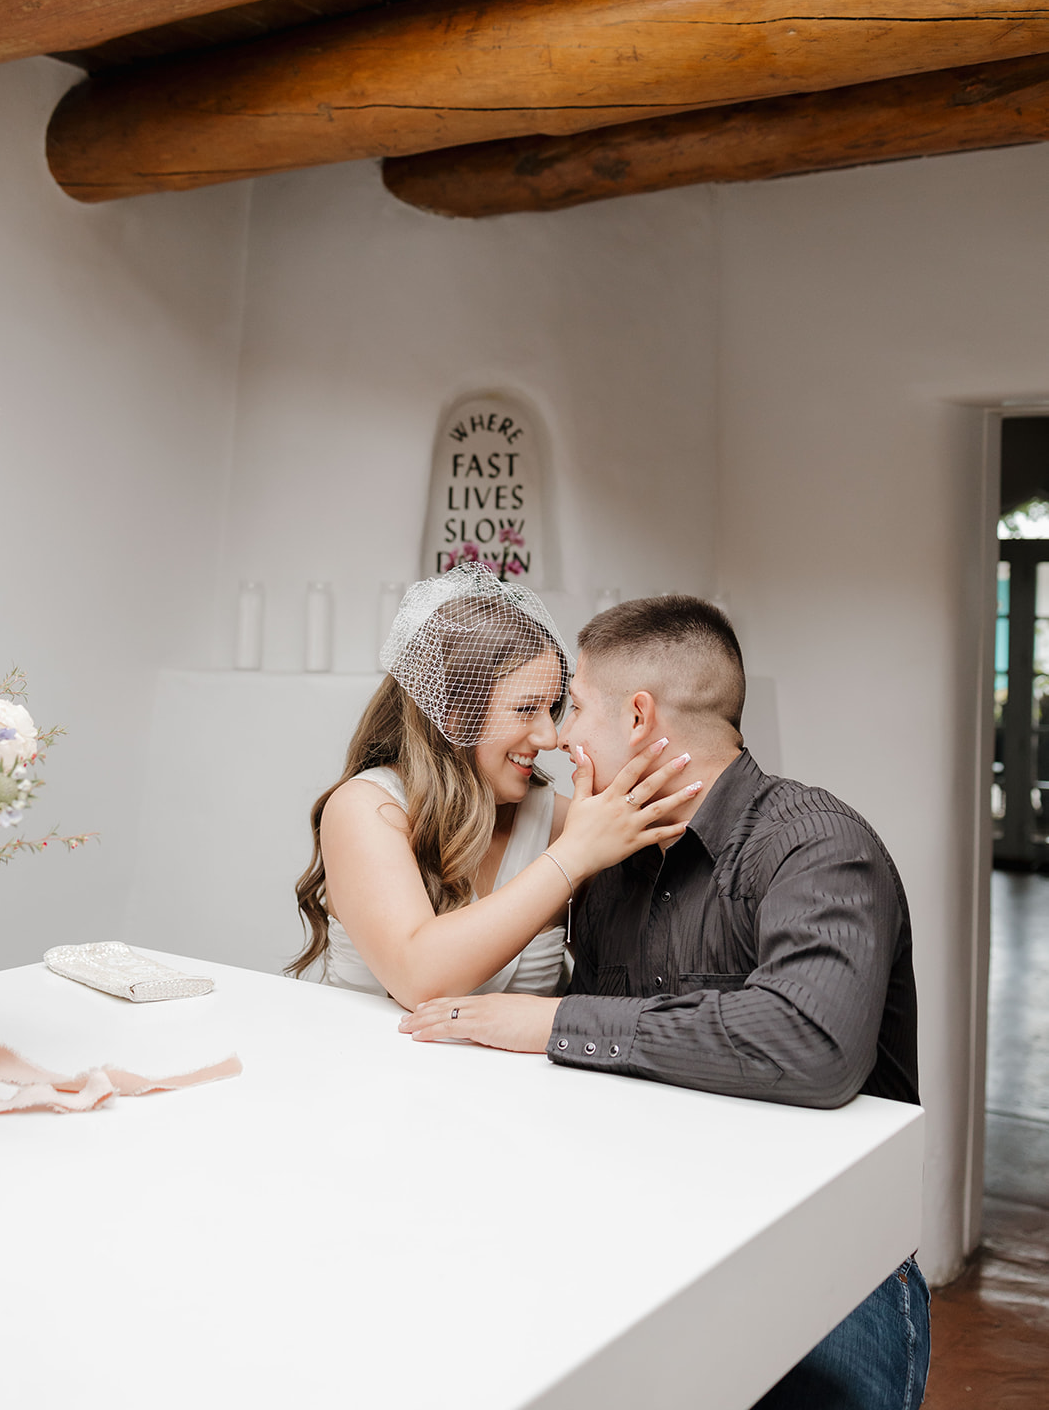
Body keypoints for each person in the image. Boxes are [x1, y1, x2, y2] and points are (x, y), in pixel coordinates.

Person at [398, 593, 931, 1410]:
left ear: (639, 715)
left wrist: (551, 1021)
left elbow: (809, 1046)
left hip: (816, 1247)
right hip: (643, 1225)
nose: (560, 739)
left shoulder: (817, 841)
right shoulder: (608, 858)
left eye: (574, 709)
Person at [288, 565, 699, 1008]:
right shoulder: (365, 809)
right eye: (526, 709)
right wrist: (573, 856)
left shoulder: (564, 824)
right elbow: (418, 978)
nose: (549, 736)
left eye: (553, 708)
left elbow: (614, 986)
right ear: (454, 714)